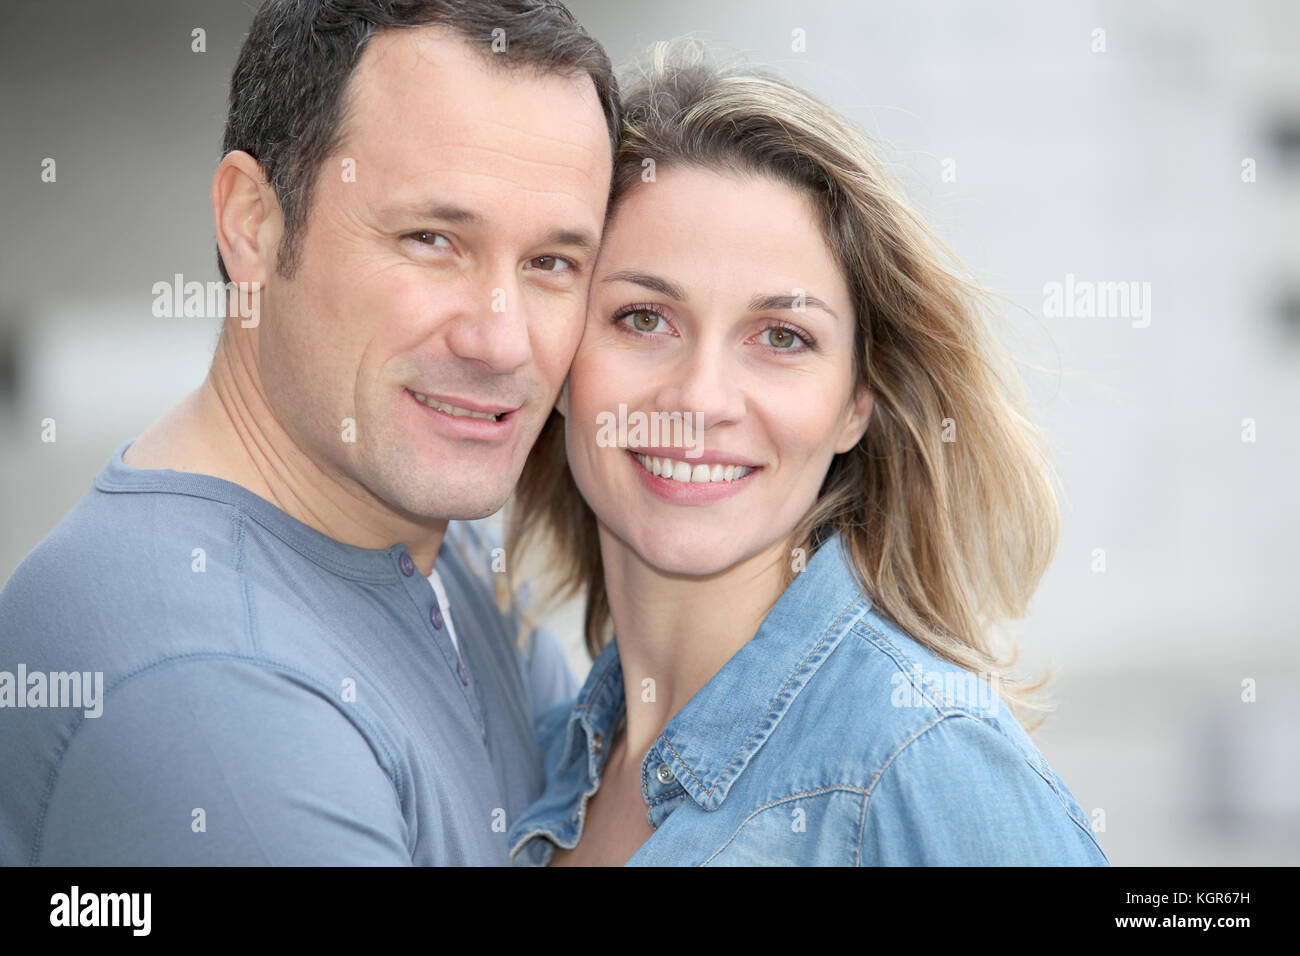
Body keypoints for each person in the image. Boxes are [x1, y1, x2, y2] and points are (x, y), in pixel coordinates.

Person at [0, 0, 617, 865]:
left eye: (552, 263)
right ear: (252, 223)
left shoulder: (425, 533)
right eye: (432, 239)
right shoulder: (213, 699)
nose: (502, 341)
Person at [504, 40, 1111, 866]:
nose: (700, 400)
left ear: (856, 403)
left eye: (782, 337)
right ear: (564, 356)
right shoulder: (551, 754)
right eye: (644, 318)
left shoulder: (926, 762)